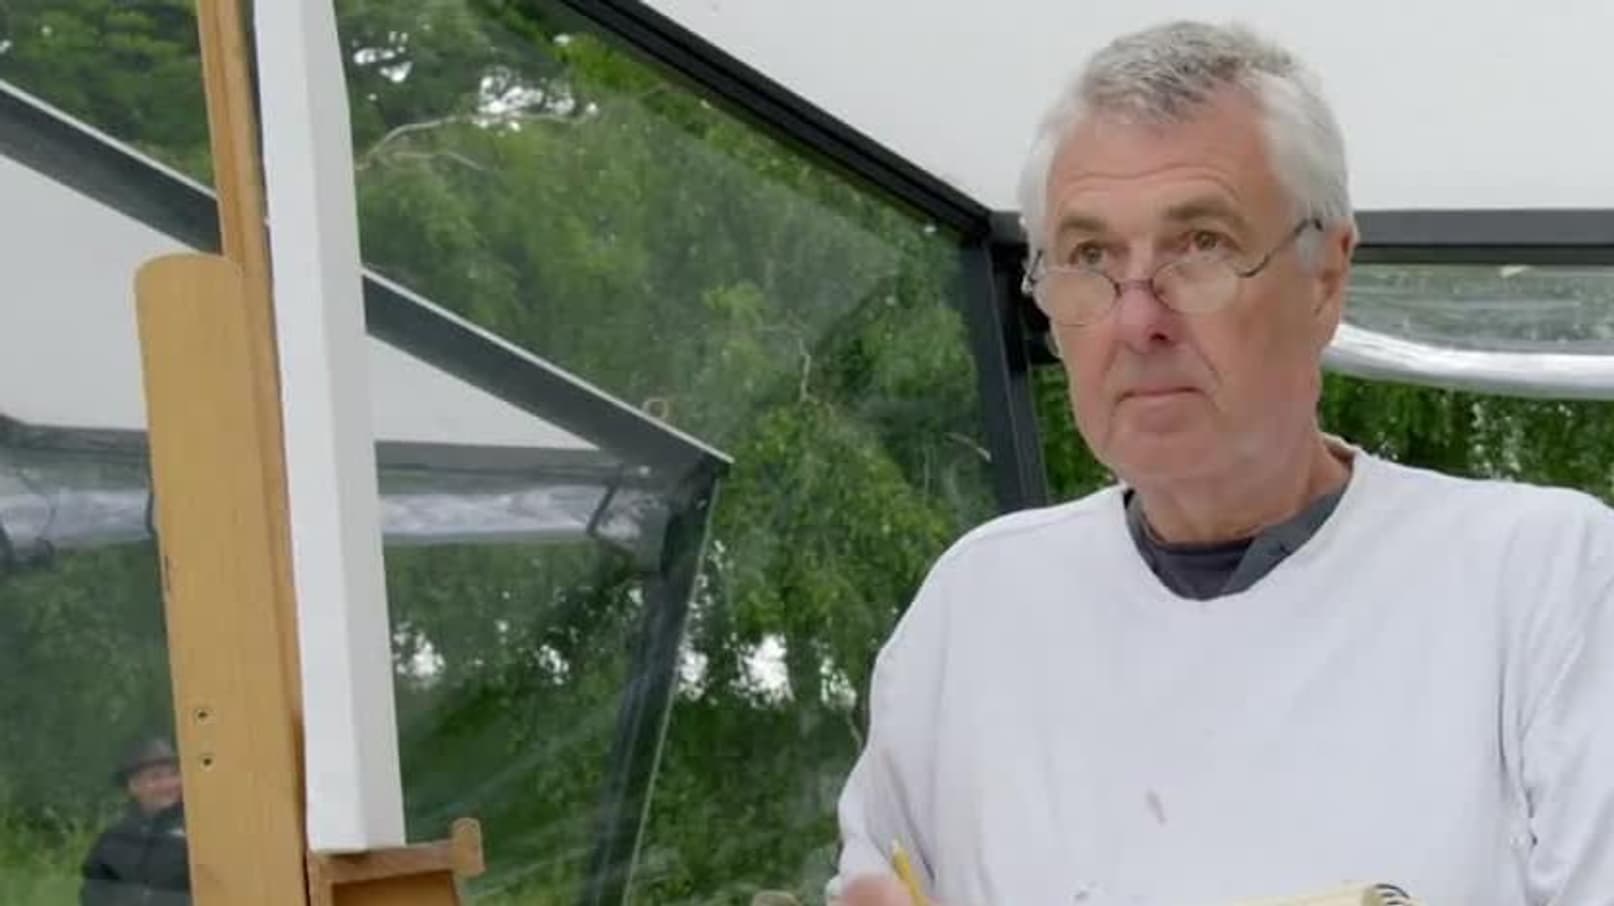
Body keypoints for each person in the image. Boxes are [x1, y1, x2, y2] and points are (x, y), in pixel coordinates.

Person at [831, 20, 1614, 906]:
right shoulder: (975, 614)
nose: (1138, 320)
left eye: (1200, 245)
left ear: (1326, 277)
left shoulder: (1543, 584)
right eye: (1090, 257)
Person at [81, 736, 191, 906]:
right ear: (133, 786)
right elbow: (94, 893)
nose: (169, 784)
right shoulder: (113, 839)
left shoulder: (198, 829)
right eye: (156, 777)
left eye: (174, 774)